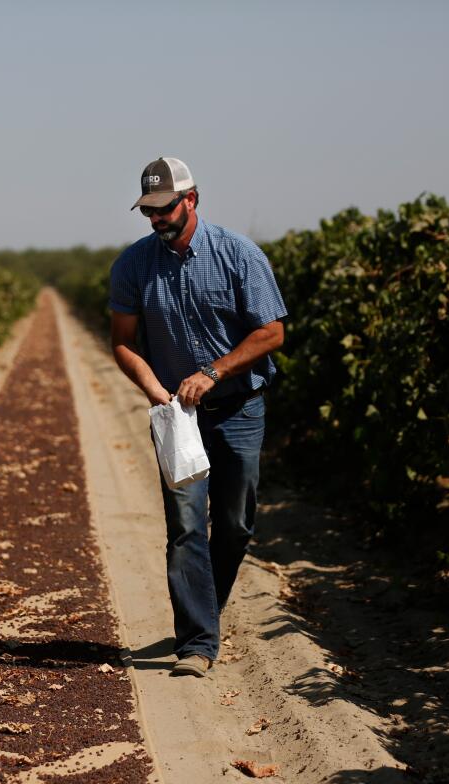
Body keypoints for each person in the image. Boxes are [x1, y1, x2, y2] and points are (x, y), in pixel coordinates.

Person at [109, 157, 287, 678]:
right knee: (186, 524)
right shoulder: (133, 264)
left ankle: (204, 608)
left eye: (165, 208)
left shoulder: (238, 254)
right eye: (149, 211)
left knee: (234, 524)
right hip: (177, 418)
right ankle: (198, 643)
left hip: (238, 409)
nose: (157, 219)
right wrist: (154, 390)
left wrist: (212, 371)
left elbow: (271, 333)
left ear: (192, 200)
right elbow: (122, 342)